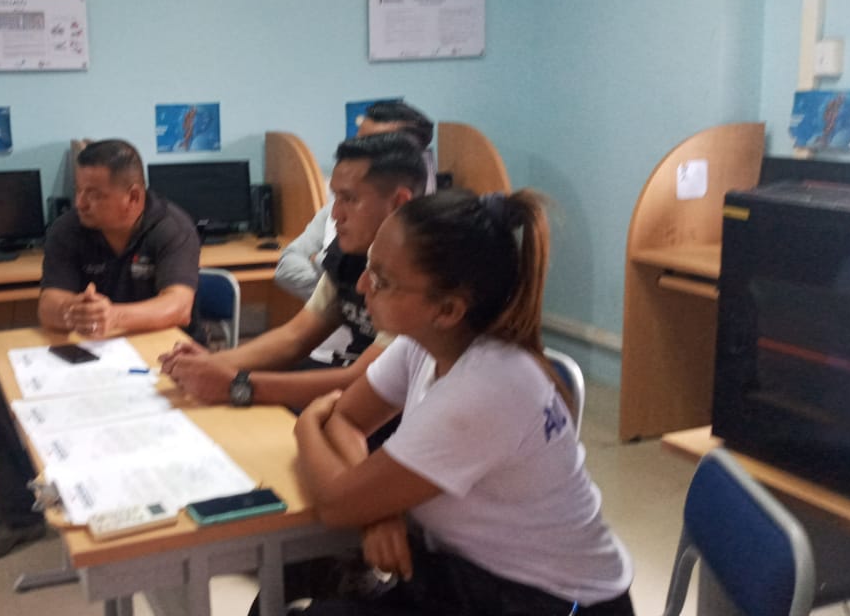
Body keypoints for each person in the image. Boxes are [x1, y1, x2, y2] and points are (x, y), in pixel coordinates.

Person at [290, 189, 634, 615]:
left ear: (448, 309)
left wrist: (306, 425)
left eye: (382, 280)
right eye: (368, 268)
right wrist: (376, 510)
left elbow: (335, 502)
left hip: (547, 601)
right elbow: (346, 421)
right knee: (294, 574)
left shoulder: (487, 387)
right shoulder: (425, 343)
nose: (362, 286)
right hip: (470, 575)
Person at [0, 139, 200, 561]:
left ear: (133, 197)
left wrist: (114, 316)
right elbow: (48, 304)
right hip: (94, 350)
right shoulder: (68, 230)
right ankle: (18, 518)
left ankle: (160, 506)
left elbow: (178, 305)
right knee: (0, 392)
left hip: (162, 354)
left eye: (95, 194)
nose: (81, 203)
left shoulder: (171, 227)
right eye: (79, 191)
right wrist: (74, 310)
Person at [160, 132, 427, 412]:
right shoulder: (349, 253)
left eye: (349, 199)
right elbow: (295, 337)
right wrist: (211, 363)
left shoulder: (422, 275)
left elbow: (366, 383)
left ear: (399, 203)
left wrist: (236, 384)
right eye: (335, 198)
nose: (335, 214)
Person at [275, 101, 436, 368]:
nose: (336, 213)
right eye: (361, 140)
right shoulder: (343, 211)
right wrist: (336, 291)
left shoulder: (426, 250)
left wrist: (339, 291)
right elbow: (287, 268)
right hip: (329, 356)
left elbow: (369, 379)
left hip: (360, 371)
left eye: (379, 143)